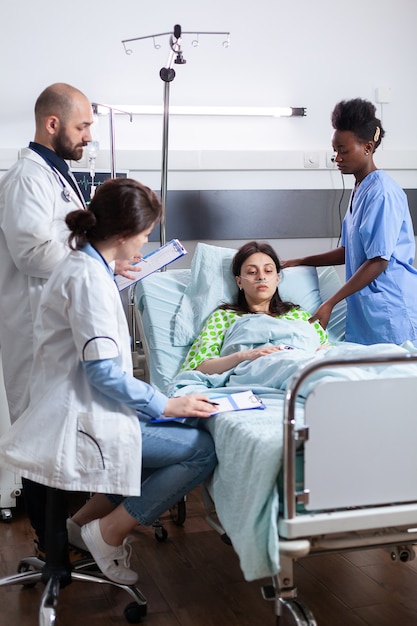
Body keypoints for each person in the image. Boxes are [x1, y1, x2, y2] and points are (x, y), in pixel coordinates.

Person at [0, 177, 217, 585]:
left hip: (77, 409)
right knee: (200, 449)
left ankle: (79, 526)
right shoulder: (89, 280)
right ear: (122, 234)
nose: (145, 243)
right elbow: (101, 371)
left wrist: (111, 266)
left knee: (172, 435)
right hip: (83, 420)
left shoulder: (84, 262)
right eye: (145, 234)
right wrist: (165, 404)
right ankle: (108, 532)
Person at [0, 83, 142, 555]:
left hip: (59, 328)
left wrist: (109, 262)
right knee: (46, 446)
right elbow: (33, 253)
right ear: (52, 124)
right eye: (82, 127)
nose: (87, 137)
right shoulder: (27, 179)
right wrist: (93, 254)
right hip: (39, 330)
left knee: (63, 442)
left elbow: (64, 244)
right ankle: (52, 551)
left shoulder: (55, 174)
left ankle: (62, 543)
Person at [282, 98, 417, 346]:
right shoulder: (360, 188)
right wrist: (301, 261)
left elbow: (378, 261)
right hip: (368, 310)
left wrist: (331, 302)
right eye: (335, 150)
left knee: (398, 379)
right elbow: (349, 251)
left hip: (391, 305)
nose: (337, 158)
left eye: (343, 151)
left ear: (367, 147)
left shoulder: (382, 193)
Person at [180, 241, 328, 375]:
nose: (261, 277)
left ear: (277, 279)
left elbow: (326, 349)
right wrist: (245, 355)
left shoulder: (299, 315)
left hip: (304, 369)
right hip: (255, 374)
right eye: (252, 272)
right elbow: (199, 367)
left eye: (268, 271)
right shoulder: (224, 317)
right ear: (239, 282)